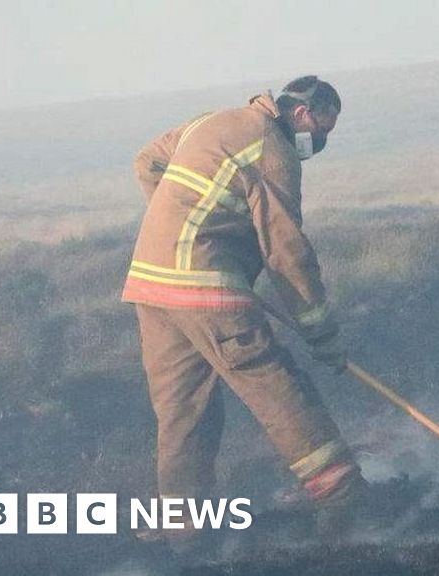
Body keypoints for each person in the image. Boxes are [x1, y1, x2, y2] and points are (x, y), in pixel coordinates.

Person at [122, 75, 366, 543]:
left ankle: (182, 530)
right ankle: (342, 493)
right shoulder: (273, 152)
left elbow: (146, 161)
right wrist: (322, 336)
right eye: (321, 130)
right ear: (300, 114)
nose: (319, 142)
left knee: (183, 410)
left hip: (151, 287)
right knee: (273, 381)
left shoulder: (209, 123)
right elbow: (287, 253)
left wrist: (178, 225)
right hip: (204, 293)